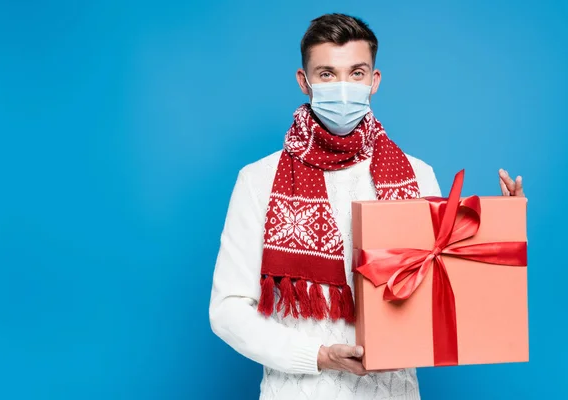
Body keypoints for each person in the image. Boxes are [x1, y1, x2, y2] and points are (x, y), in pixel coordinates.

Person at [209, 13, 525, 400]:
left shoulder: (416, 174)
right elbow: (227, 310)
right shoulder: (259, 180)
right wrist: (318, 356)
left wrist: (502, 225)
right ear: (303, 81)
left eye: (355, 73)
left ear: (373, 81)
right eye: (327, 74)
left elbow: (445, 289)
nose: (342, 87)